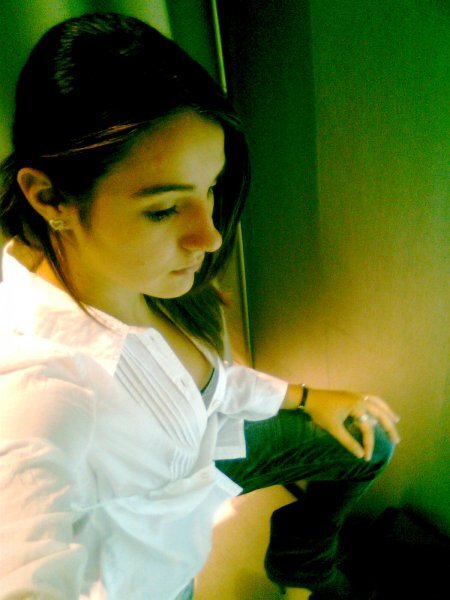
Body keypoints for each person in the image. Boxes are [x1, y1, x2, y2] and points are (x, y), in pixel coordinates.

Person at [0, 12, 400, 600]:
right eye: (163, 209)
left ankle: (302, 565)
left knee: (372, 441)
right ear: (49, 196)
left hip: (202, 452)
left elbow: (207, 386)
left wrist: (306, 397)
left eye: (210, 188)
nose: (210, 236)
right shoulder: (38, 382)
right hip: (153, 570)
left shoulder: (149, 281)